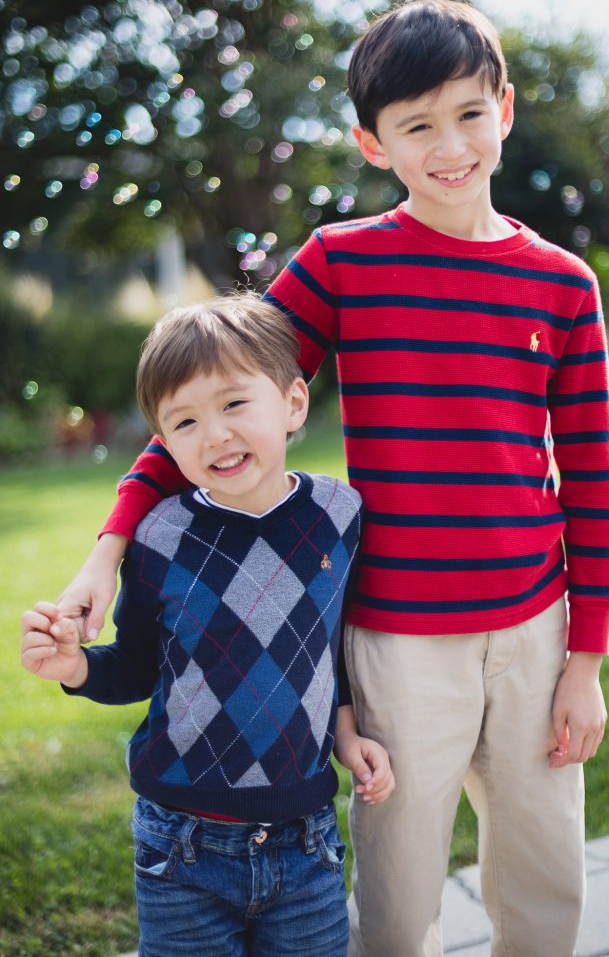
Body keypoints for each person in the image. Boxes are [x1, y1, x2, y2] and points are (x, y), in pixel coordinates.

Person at [55, 0, 609, 957]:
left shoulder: (562, 281)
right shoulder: (344, 263)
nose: (449, 145)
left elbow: (593, 482)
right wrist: (107, 555)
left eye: (468, 114)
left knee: (544, 878)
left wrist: (585, 664)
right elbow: (214, 398)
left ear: (505, 110)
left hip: (535, 630)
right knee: (397, 898)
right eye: (416, 126)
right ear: (372, 143)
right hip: (398, 641)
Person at [21, 292, 395, 957]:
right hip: (181, 846)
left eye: (233, 405)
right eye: (185, 422)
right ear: (163, 443)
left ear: (292, 405)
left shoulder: (339, 516)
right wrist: (77, 668)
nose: (215, 434)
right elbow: (137, 664)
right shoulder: (159, 535)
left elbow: (327, 645)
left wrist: (345, 730)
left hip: (304, 842)